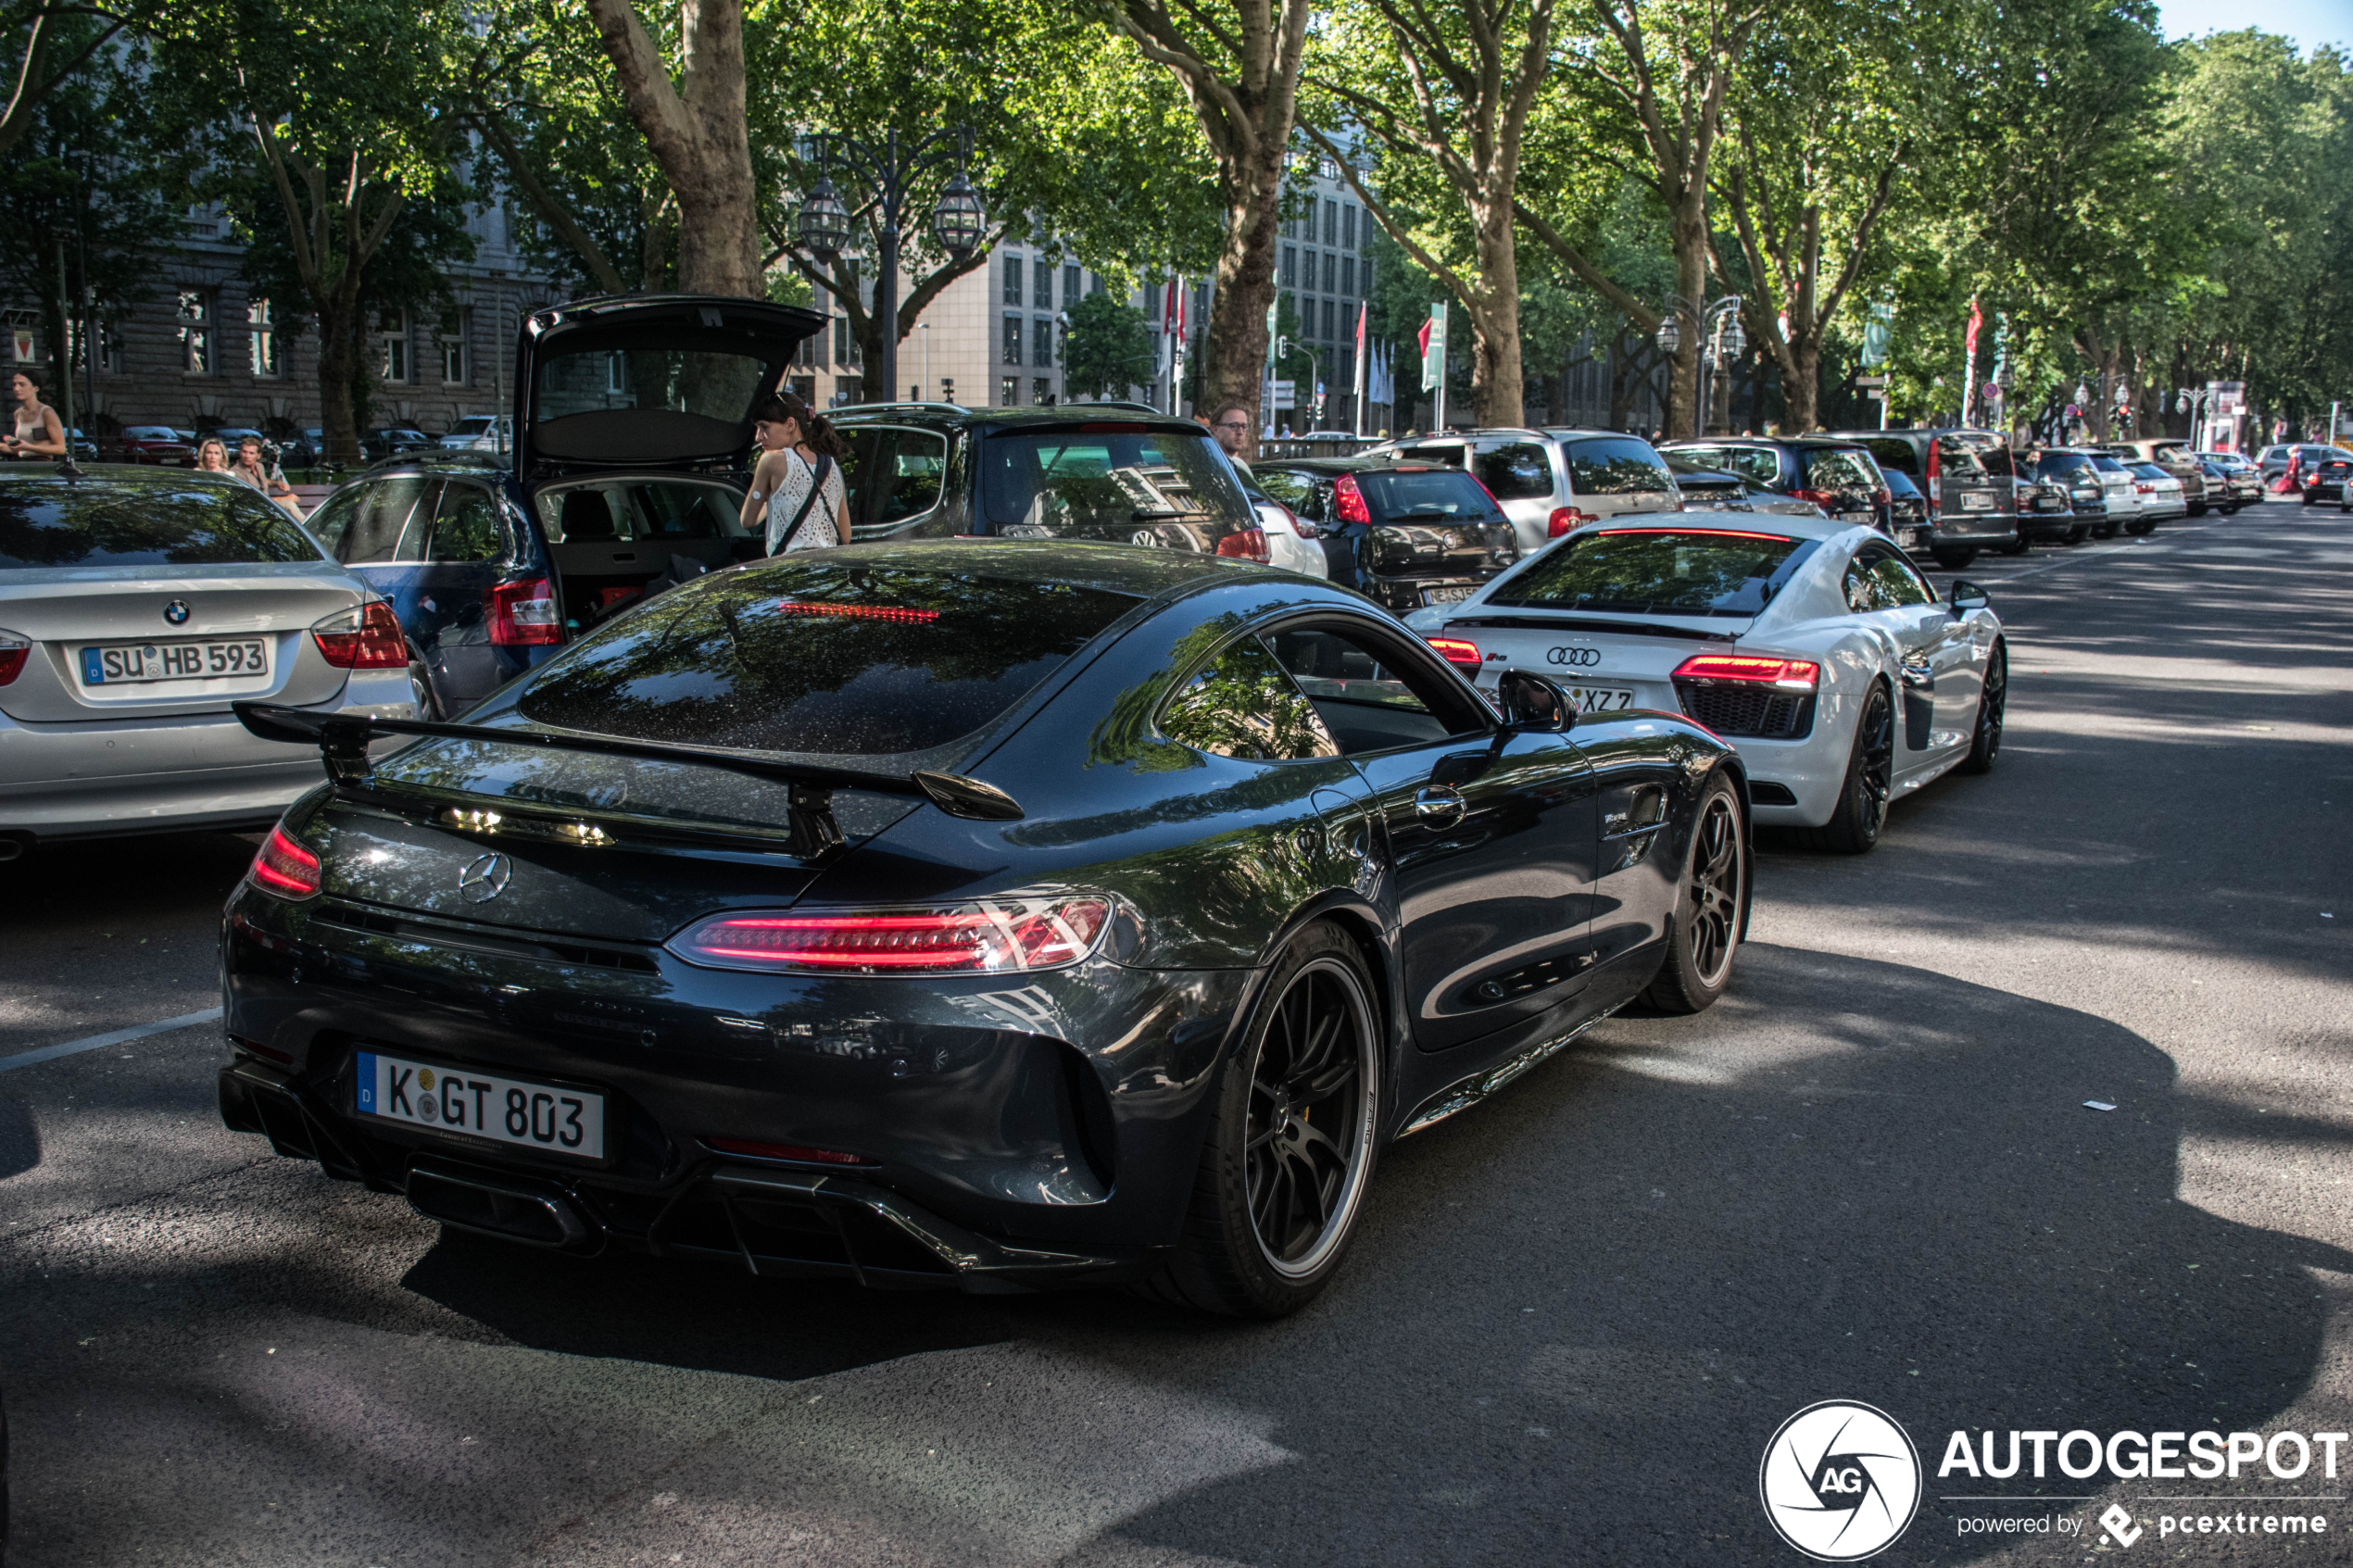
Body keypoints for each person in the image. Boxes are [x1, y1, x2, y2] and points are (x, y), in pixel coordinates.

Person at [737, 391, 849, 555]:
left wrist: (770, 498)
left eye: (764, 427)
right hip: (826, 570)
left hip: (789, 568)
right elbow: (845, 536)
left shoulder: (770, 460)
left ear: (790, 424)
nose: (758, 437)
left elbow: (747, 520)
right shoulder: (831, 465)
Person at [0, 369, 65, 460]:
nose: (16, 389)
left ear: (36, 388)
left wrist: (29, 447)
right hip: (23, 464)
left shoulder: (47, 412)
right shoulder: (18, 413)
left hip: (41, 464)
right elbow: (19, 449)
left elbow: (60, 449)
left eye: (22, 385)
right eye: (14, 384)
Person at [228, 435, 301, 516]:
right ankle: (307, 528)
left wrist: (277, 483)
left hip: (266, 508)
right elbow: (253, 500)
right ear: (240, 452)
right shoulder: (235, 472)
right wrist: (284, 498)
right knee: (289, 504)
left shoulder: (259, 467)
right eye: (244, 452)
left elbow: (262, 480)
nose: (247, 456)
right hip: (251, 510)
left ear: (258, 455)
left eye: (251, 453)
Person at [1209, 403, 1253, 478]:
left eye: (1244, 427)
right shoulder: (1205, 464)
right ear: (1215, 429)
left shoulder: (1241, 467)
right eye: (1233, 426)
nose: (1240, 432)